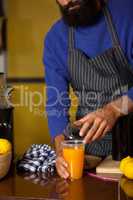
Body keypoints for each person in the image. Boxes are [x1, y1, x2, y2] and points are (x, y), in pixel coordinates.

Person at [43, 0, 133, 179]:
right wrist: (61, 150)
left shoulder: (128, 13)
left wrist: (113, 110)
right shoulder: (55, 38)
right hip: (90, 151)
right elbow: (56, 105)